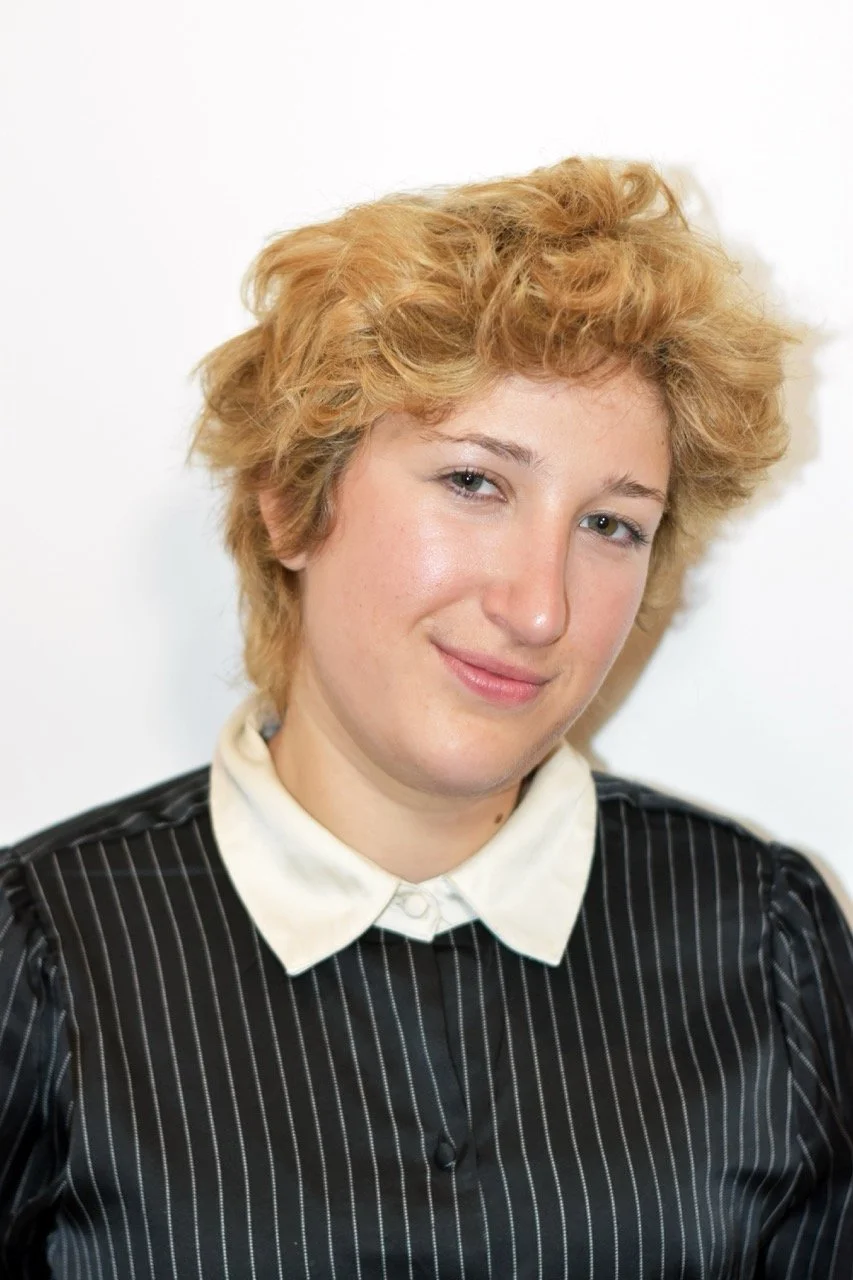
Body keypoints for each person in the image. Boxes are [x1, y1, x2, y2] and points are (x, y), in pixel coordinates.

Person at [1, 157, 851, 1279]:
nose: (540, 606)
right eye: (473, 482)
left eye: (609, 524)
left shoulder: (766, 938)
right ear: (292, 498)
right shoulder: (45, 952)